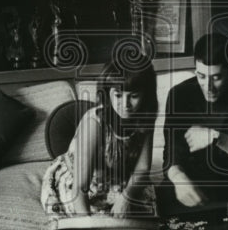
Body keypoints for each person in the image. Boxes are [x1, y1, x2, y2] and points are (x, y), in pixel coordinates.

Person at [158, 33, 228, 216]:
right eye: (201, 76)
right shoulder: (179, 94)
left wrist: (215, 136)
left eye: (216, 77)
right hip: (196, 175)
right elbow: (172, 154)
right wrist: (179, 178)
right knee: (166, 191)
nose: (208, 86)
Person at [41, 56, 158, 219]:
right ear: (107, 92)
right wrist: (87, 227)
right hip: (82, 184)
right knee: (101, 226)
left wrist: (126, 197)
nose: (125, 104)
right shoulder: (95, 123)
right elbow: (80, 187)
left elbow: (143, 168)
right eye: (118, 95)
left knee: (144, 219)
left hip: (119, 178)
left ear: (146, 95)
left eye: (134, 96)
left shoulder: (146, 116)